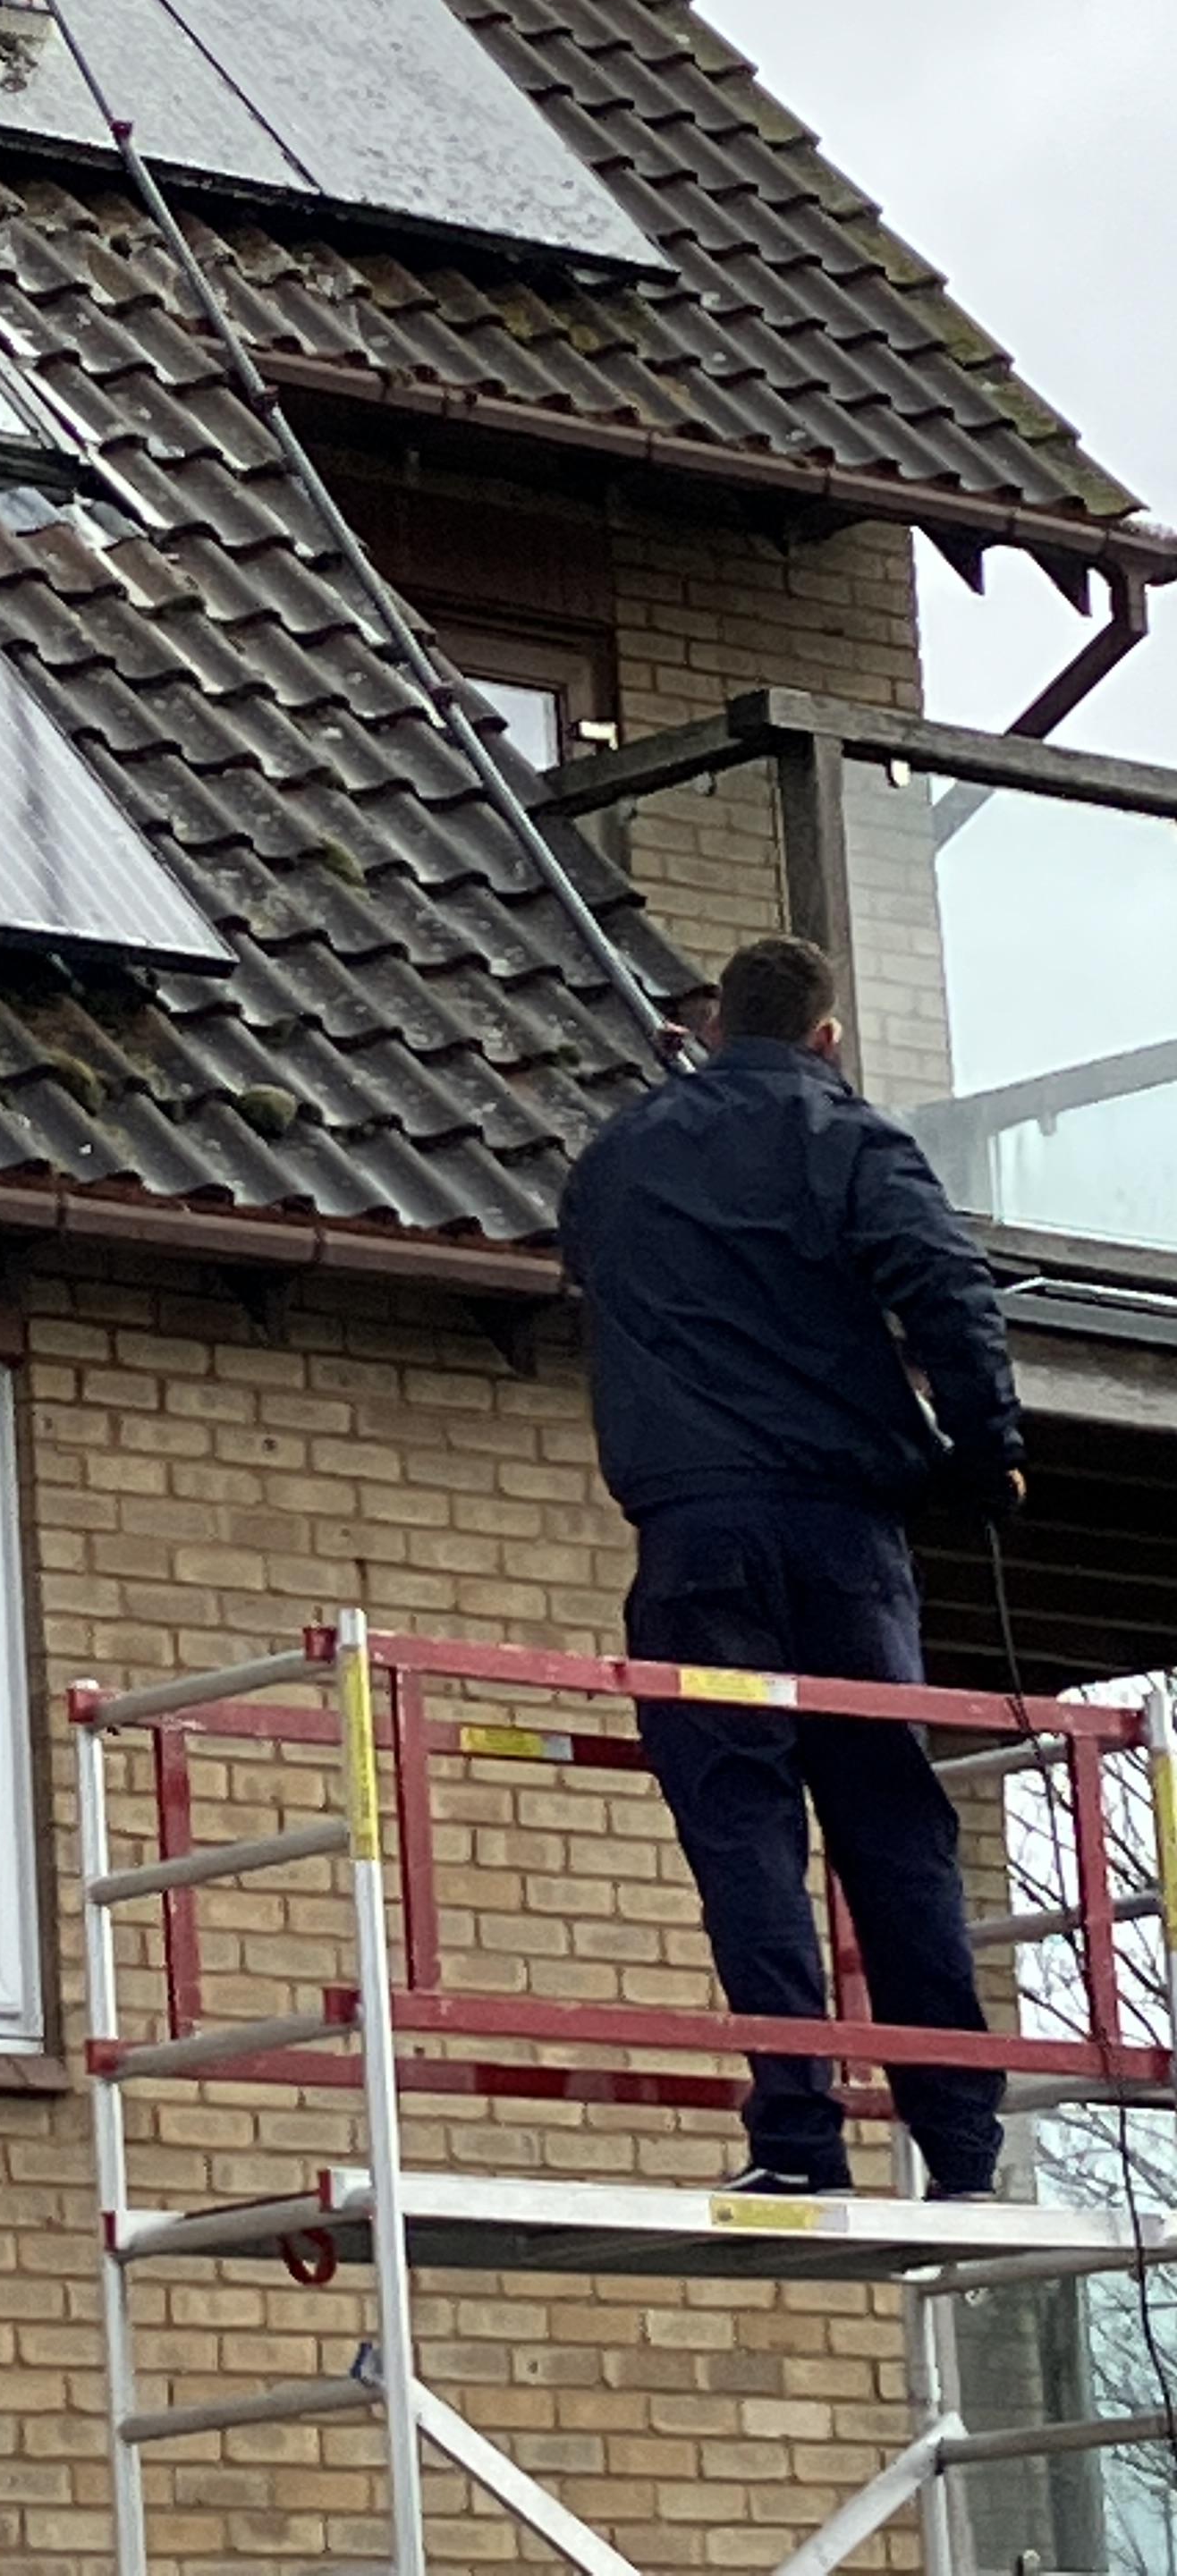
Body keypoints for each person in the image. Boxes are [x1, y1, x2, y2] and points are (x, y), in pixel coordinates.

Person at [559, 932, 1026, 2200]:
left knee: (742, 1831)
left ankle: (798, 2138)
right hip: (842, 1536)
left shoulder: (618, 1158)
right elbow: (944, 1284)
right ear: (827, 1037)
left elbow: (594, 1277)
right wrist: (984, 1452)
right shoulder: (846, 1136)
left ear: (712, 1032)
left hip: (692, 1534)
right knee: (890, 1823)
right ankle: (962, 2147)